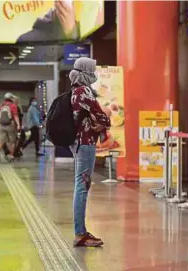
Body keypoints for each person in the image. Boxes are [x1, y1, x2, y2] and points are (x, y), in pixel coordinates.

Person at [69, 57, 110, 247]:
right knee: (82, 186)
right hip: (85, 143)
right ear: (86, 73)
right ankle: (80, 233)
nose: (95, 74)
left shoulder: (75, 90)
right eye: (92, 70)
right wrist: (104, 121)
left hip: (79, 142)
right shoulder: (83, 91)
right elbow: (102, 116)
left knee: (82, 185)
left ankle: (81, 231)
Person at [0, 93, 20, 162]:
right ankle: (11, 156)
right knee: (12, 141)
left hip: (1, 125)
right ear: (11, 98)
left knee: (1, 140)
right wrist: (18, 125)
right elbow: (15, 116)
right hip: (10, 125)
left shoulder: (0, 106)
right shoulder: (13, 106)